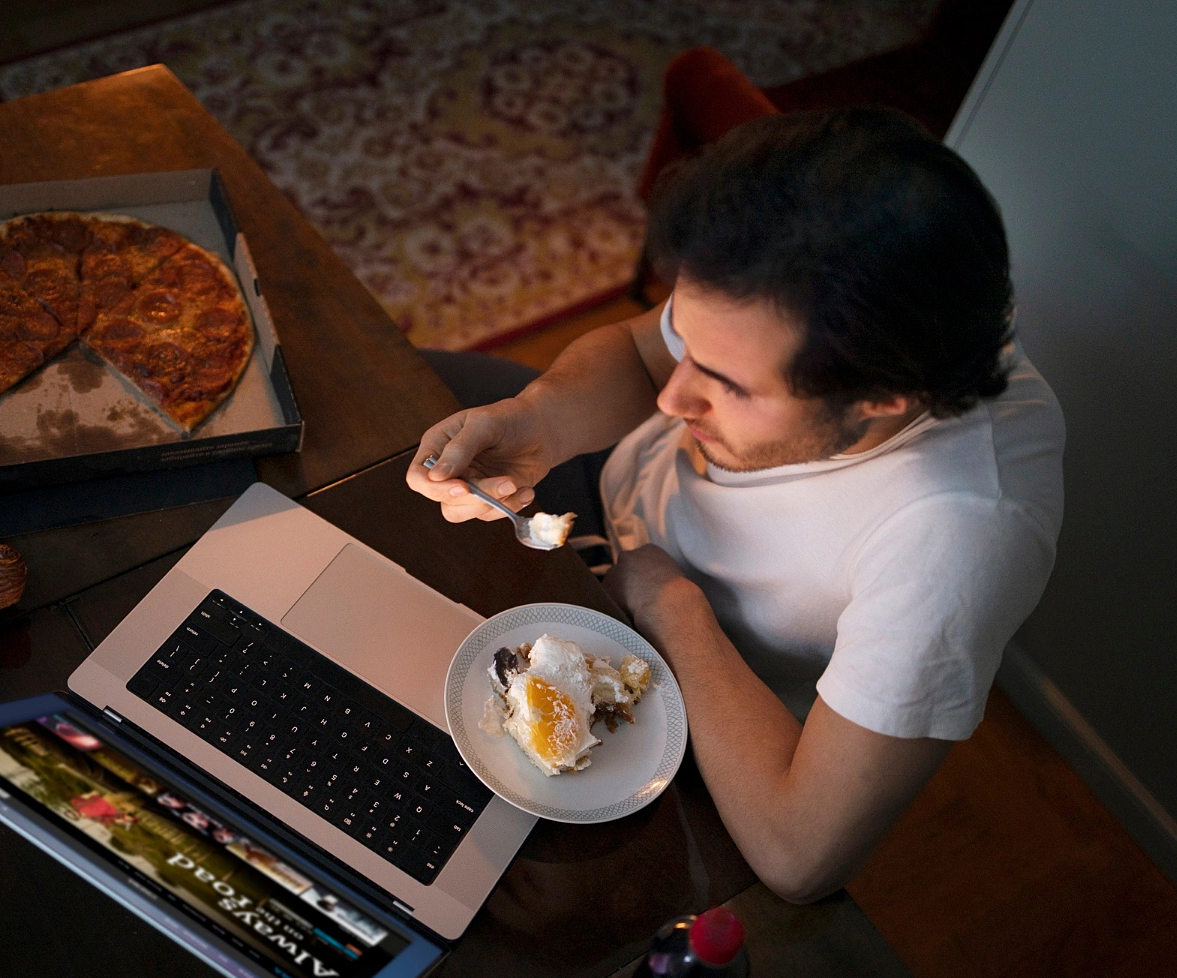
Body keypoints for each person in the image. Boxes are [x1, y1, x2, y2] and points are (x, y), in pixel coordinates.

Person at [407, 108, 1064, 903]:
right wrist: (539, 421)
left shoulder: (957, 538)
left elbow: (799, 854)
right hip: (604, 508)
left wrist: (668, 601)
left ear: (886, 399)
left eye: (728, 385)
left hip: (701, 699)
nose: (675, 396)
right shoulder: (825, 292)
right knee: (387, 415)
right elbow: (644, 356)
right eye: (692, 336)